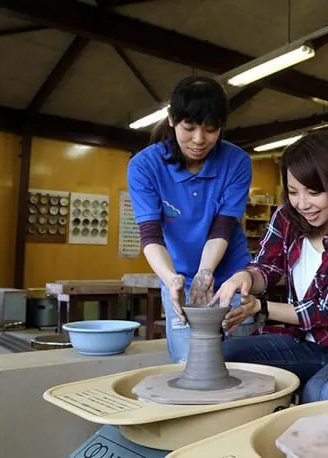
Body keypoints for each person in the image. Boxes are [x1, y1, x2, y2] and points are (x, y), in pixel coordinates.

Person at [210, 131, 328, 403]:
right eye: (293, 192)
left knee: (319, 393)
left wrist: (262, 307)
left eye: (314, 192)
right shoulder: (286, 216)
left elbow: (327, 311)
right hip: (304, 340)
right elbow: (266, 268)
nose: (303, 204)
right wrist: (246, 276)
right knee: (222, 355)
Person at [127, 76, 252, 363]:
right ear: (172, 119)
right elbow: (150, 236)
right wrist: (172, 280)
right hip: (177, 277)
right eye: (189, 127)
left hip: (231, 275)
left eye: (210, 130)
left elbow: (222, 228)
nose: (199, 140)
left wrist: (205, 273)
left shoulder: (237, 162)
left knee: (241, 364)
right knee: (188, 363)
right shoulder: (144, 166)